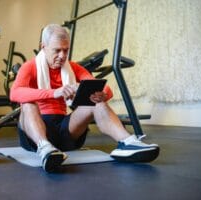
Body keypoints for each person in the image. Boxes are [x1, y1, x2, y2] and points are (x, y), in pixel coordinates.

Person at [10, 24, 159, 173]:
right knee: (27, 105)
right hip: (35, 134)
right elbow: (15, 93)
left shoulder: (73, 68)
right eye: (57, 50)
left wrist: (102, 94)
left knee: (95, 101)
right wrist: (53, 92)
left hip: (64, 130)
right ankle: (45, 149)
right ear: (43, 47)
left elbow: (104, 88)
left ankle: (128, 142)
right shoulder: (29, 67)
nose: (62, 56)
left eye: (65, 50)